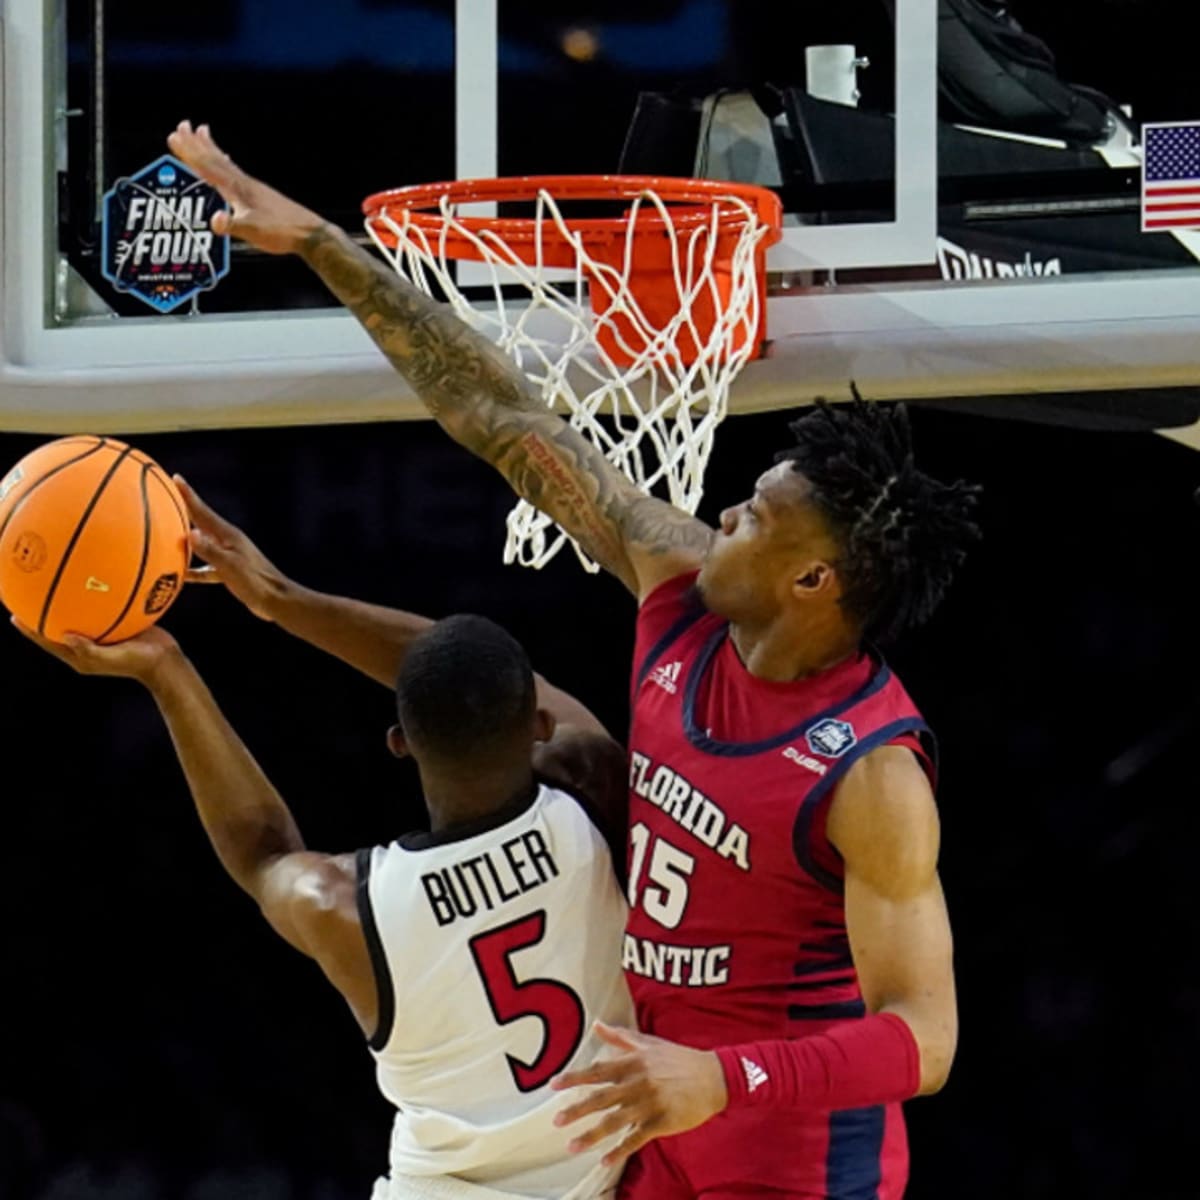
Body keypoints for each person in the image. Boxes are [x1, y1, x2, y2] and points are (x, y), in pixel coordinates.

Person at [166, 120, 981, 1199]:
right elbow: (501, 416)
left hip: (784, 1152)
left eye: (755, 517)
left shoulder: (870, 770)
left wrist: (722, 1078)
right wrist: (323, 243)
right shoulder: (681, 590)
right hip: (643, 1124)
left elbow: (924, 1041)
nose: (722, 513)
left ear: (814, 582)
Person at [11, 607, 634, 1200]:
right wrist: (281, 598)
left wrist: (168, 672)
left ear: (399, 742)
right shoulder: (593, 790)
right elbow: (517, 682)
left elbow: (262, 852)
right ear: (541, 724)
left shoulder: (349, 906)